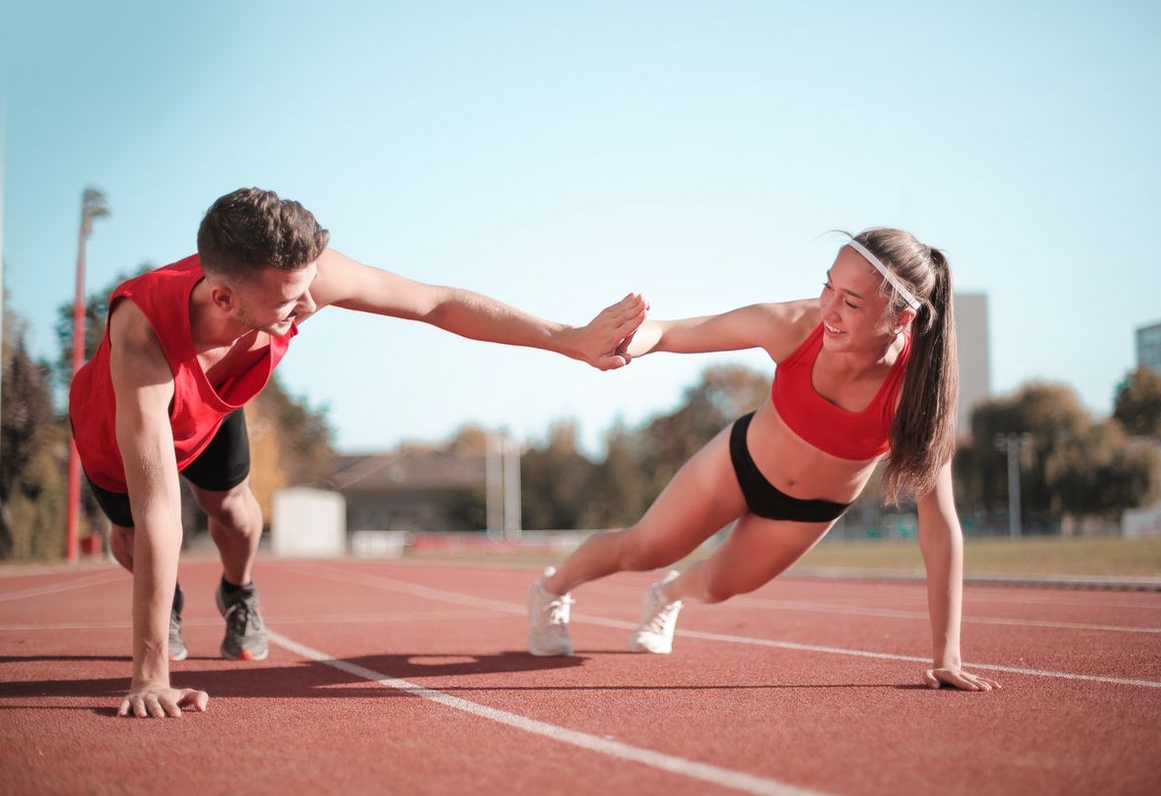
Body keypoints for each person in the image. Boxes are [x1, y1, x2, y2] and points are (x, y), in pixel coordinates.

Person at [69, 187, 647, 718]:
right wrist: (150, 678)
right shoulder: (143, 336)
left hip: (214, 404)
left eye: (307, 290)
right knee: (138, 538)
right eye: (289, 304)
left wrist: (567, 339)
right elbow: (159, 512)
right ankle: (165, 603)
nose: (308, 308)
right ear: (223, 297)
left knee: (235, 513)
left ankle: (238, 593)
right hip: (120, 421)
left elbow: (437, 303)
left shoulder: (305, 279)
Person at [526, 228, 1000, 692]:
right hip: (739, 464)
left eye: (851, 303)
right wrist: (624, 341)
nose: (829, 310)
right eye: (827, 286)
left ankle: (666, 596)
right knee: (645, 548)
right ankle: (551, 590)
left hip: (808, 511)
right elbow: (671, 332)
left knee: (716, 586)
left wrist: (947, 658)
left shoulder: (916, 393)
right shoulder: (794, 325)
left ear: (900, 320)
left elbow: (939, 523)